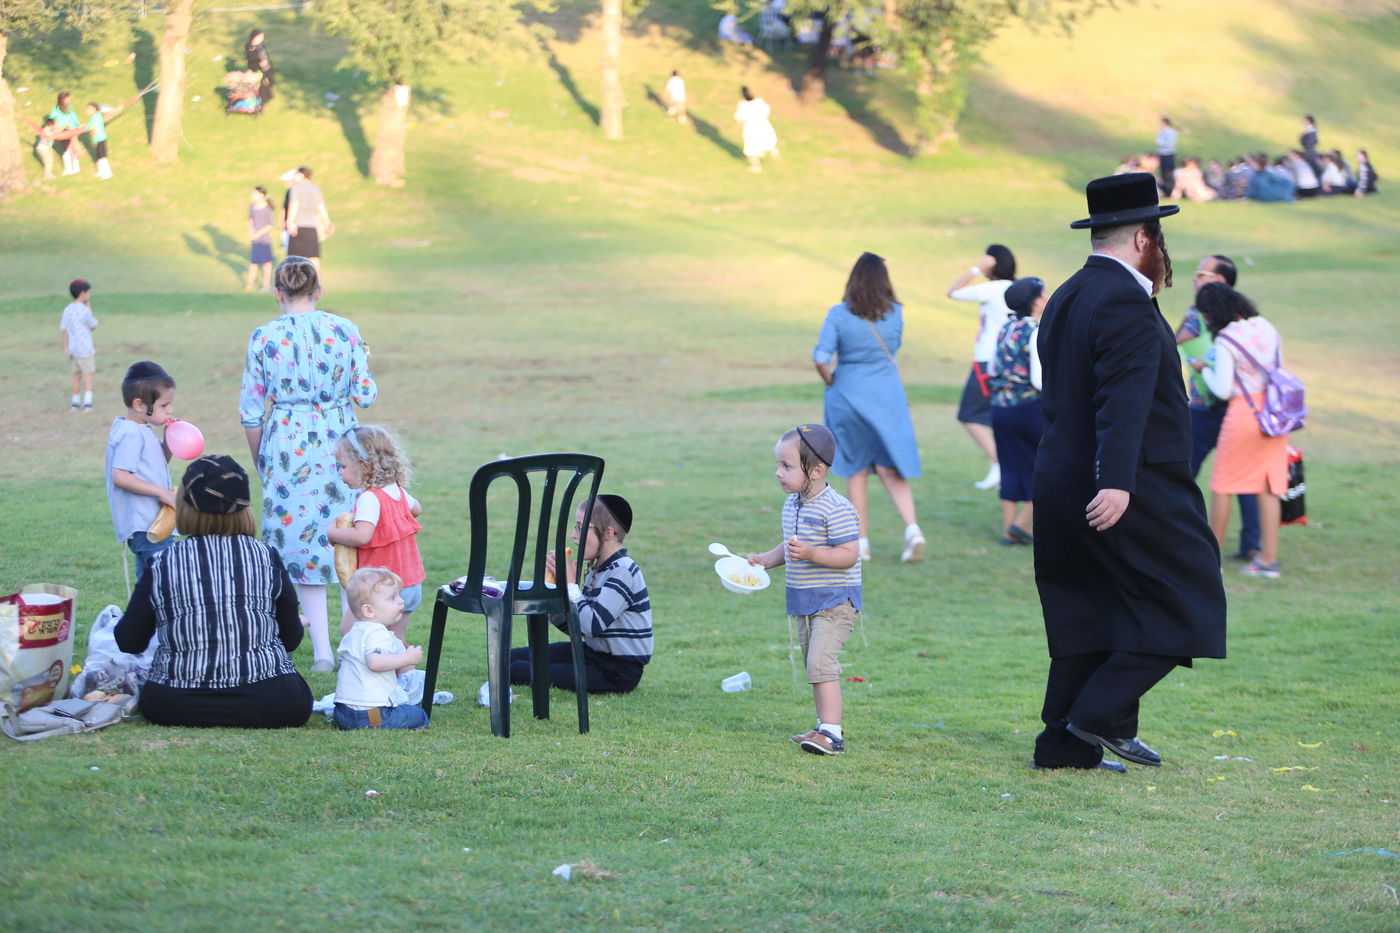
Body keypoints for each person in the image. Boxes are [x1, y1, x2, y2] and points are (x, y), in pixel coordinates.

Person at [1031, 173, 1227, 772]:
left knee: (1085, 607)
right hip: (1125, 480)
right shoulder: (1123, 300)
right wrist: (1116, 481)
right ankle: (1100, 713)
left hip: (1061, 474)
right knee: (1191, 596)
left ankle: (1063, 745)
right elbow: (1123, 399)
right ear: (1145, 236)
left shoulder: (1067, 292)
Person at [240, 257, 377, 672]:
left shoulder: (263, 337)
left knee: (302, 548)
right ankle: (354, 635)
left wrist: (262, 461)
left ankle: (320, 652)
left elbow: (251, 412)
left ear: (278, 293)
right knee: (347, 537)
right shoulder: (344, 329)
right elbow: (366, 395)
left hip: (287, 446)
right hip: (341, 445)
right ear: (318, 291)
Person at [114, 455, 312, 729]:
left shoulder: (163, 562)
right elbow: (291, 639)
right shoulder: (267, 557)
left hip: (176, 702)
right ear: (245, 508)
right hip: (270, 701)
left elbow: (129, 641)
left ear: (183, 505)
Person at [745, 425, 861, 756]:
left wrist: (813, 554)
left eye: (787, 466)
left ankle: (833, 735)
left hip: (836, 601)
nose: (778, 472)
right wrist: (764, 561)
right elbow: (790, 546)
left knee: (821, 664)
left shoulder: (835, 508)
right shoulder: (793, 505)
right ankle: (822, 725)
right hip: (805, 600)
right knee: (815, 664)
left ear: (817, 470)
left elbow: (849, 554)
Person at [813, 252, 924, 562]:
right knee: (891, 468)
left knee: (856, 469)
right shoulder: (897, 314)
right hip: (887, 395)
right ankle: (913, 529)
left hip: (848, 394)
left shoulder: (837, 314)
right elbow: (893, 350)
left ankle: (861, 543)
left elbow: (820, 358)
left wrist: (832, 380)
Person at [1187, 283, 1290, 578]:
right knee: (1270, 486)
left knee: (1223, 484)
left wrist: (1200, 367)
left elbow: (1220, 389)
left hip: (1244, 413)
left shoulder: (1227, 339)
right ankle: (1268, 560)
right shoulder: (1264, 325)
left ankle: (1211, 557)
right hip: (1274, 411)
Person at [511, 495, 652, 694]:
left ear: (608, 533)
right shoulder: (597, 569)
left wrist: (570, 584)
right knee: (509, 658)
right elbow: (577, 628)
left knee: (517, 670)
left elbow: (591, 625)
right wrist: (554, 591)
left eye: (580, 527)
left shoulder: (623, 570)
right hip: (591, 654)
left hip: (617, 670)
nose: (574, 535)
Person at [1175, 255, 1260, 562]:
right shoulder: (1244, 314)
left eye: (1201, 274)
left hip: (1204, 405)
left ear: (1219, 281)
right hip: (1240, 405)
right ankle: (1252, 543)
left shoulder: (1200, 312)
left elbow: (1173, 340)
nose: (1194, 279)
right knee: (1246, 476)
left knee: (1181, 472)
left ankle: (1175, 534)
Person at [327, 425, 424, 642]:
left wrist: (333, 533)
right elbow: (417, 509)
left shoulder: (370, 499)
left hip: (380, 588)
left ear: (365, 466)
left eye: (342, 466)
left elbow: (362, 536)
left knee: (351, 633)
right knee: (394, 640)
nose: (339, 472)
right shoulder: (397, 491)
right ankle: (405, 675)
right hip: (410, 583)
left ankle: (363, 675)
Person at [946, 244, 1017, 490]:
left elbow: (953, 292)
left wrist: (977, 268)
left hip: (987, 361)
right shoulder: (1015, 288)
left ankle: (1000, 464)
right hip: (1008, 361)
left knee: (969, 415)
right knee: (996, 417)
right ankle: (1001, 467)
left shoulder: (992, 289)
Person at [986, 277, 1046, 547]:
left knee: (1010, 466)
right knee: (1047, 465)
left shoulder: (1005, 328)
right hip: (1029, 408)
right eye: (1043, 293)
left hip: (1000, 407)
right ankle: (1022, 525)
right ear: (1034, 300)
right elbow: (1038, 380)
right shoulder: (1035, 331)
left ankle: (1008, 531)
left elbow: (992, 369)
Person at [107, 361, 178, 581]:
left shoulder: (141, 429)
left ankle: (147, 615)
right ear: (139, 404)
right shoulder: (131, 433)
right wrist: (162, 493)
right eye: (164, 406)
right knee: (160, 584)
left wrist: (169, 441)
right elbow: (120, 476)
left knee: (152, 585)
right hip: (147, 525)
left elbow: (159, 461)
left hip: (156, 522)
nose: (170, 411)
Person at [333, 567, 428, 730]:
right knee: (419, 715)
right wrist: (408, 659)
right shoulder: (377, 633)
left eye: (398, 595)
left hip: (342, 713)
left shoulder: (354, 632)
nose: (401, 601)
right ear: (369, 610)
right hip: (371, 714)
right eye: (392, 598)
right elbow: (375, 663)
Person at [60, 278, 98, 412]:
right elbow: (93, 325)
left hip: (73, 348)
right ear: (83, 294)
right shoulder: (84, 310)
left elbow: (64, 330)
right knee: (88, 375)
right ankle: (88, 402)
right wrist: (88, 305)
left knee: (76, 375)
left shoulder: (67, 309)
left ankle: (75, 403)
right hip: (85, 349)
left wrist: (66, 348)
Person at [284, 167, 333, 269]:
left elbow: (294, 204)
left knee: (294, 258)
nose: (295, 177)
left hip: (298, 226)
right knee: (313, 257)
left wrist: (290, 222)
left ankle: (295, 282)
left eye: (296, 175)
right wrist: (327, 222)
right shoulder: (315, 188)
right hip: (312, 227)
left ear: (302, 175)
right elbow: (321, 207)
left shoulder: (296, 187)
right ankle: (316, 282)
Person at [734, 87, 779, 173]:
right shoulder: (759, 101)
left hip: (751, 127)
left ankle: (756, 167)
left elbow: (740, 117)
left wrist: (737, 126)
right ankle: (776, 156)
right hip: (763, 124)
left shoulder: (743, 104)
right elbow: (767, 110)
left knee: (751, 147)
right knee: (768, 141)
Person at [245, 186, 276, 292]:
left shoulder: (267, 208)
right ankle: (250, 284)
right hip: (255, 240)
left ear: (262, 195)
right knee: (253, 263)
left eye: (255, 194)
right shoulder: (252, 206)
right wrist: (251, 232)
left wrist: (258, 234)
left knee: (266, 263)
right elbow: (250, 220)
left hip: (265, 240)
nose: (253, 196)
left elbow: (270, 225)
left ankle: (266, 285)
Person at [48, 92, 82, 175]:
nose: (69, 100)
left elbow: (74, 117)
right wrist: (53, 128)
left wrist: (79, 126)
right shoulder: (55, 109)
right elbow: (51, 119)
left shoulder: (70, 107)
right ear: (62, 99)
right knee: (66, 149)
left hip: (72, 129)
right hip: (62, 131)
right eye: (67, 98)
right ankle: (68, 168)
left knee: (74, 148)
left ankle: (76, 168)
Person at [245, 29, 274, 103]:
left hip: (266, 67)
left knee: (269, 82)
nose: (262, 39)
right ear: (254, 38)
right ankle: (261, 100)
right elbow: (250, 59)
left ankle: (268, 96)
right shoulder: (250, 47)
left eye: (262, 37)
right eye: (260, 37)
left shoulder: (261, 45)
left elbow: (264, 55)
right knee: (262, 84)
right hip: (257, 68)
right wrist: (259, 64)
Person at [1155, 117, 1178, 192]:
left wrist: (1161, 144)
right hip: (1162, 154)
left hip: (1168, 154)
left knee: (1169, 172)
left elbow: (1170, 143)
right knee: (1163, 172)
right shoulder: (1161, 132)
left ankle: (1170, 188)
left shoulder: (1171, 132)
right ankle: (1164, 189)